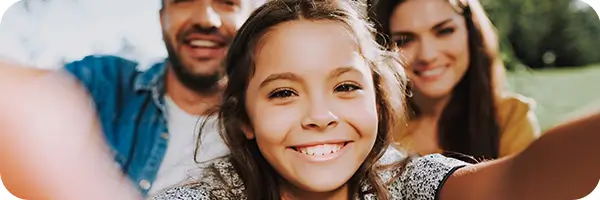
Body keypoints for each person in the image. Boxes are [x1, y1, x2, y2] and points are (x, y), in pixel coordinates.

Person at [149, 0, 598, 199]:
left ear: (380, 102)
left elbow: (518, 181)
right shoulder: (206, 196)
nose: (321, 116)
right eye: (284, 93)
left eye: (345, 87)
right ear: (244, 118)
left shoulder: (409, 183)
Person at [0, 0, 265, 196]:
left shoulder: (272, 122)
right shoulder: (101, 83)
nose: (206, 19)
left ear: (252, 21)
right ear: (162, 19)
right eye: (184, 1)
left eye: (227, 3)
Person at [368, 0, 541, 160]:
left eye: (444, 31)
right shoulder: (374, 129)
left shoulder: (510, 120)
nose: (427, 55)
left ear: (472, 32)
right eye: (405, 40)